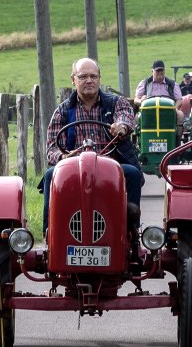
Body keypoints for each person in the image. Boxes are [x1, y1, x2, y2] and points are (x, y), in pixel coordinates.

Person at [42, 58, 144, 236]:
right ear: (73, 80)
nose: (89, 80)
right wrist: (62, 157)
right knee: (51, 174)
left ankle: (130, 232)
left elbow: (126, 117)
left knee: (133, 173)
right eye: (83, 77)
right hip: (73, 170)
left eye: (93, 76)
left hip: (112, 167)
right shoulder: (62, 111)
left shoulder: (116, 103)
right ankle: (50, 233)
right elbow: (51, 148)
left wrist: (121, 127)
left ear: (99, 78)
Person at [133, 60, 184, 125]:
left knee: (180, 115)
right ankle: (140, 134)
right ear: (152, 71)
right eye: (157, 71)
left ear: (164, 71)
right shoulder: (145, 83)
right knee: (137, 117)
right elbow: (136, 99)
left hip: (168, 110)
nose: (160, 73)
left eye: (161, 70)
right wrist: (141, 101)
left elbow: (179, 100)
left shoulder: (172, 84)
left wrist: (174, 108)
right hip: (149, 110)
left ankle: (177, 135)